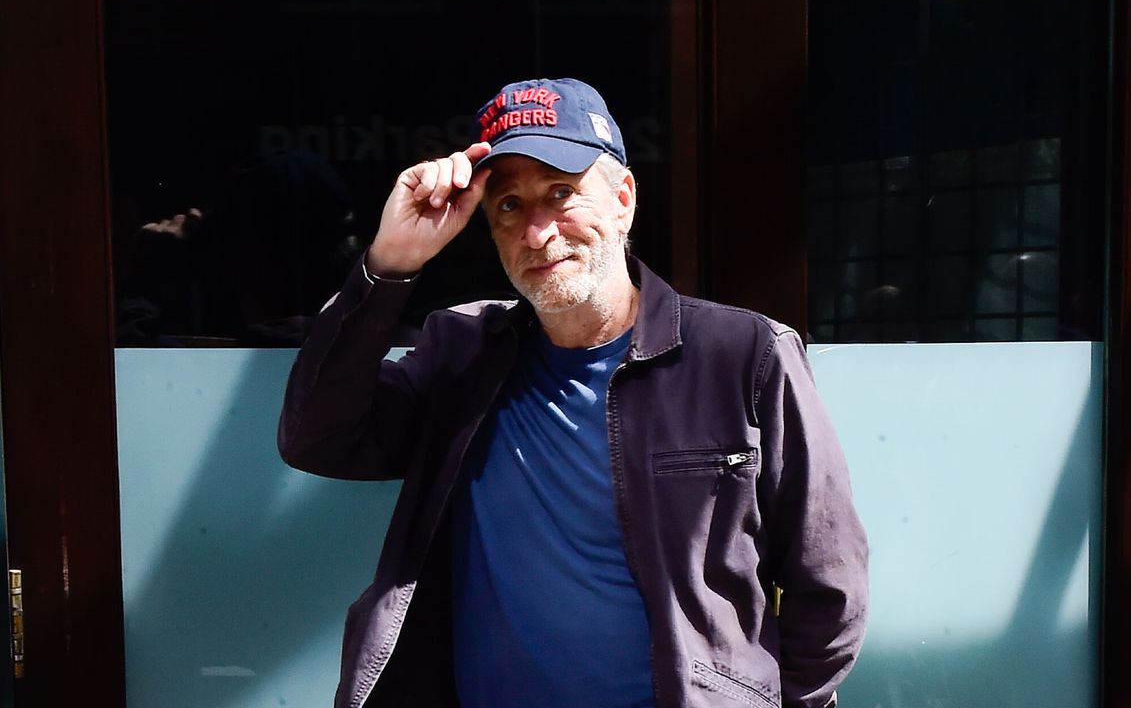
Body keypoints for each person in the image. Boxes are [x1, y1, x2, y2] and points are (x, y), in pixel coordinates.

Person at [278, 77, 868, 708]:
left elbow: (828, 583)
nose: (537, 233)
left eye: (561, 194)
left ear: (623, 199)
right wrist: (390, 264)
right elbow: (319, 438)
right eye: (508, 206)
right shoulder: (463, 351)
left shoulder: (743, 355)